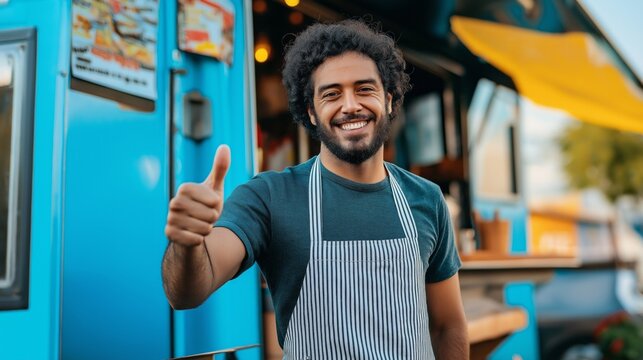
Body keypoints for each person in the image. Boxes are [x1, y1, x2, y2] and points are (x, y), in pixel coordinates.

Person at [162, 20, 468, 359]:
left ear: (391, 100)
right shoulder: (269, 197)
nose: (350, 105)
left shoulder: (427, 199)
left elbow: (448, 327)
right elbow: (187, 293)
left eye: (365, 89)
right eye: (331, 94)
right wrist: (187, 245)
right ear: (311, 112)